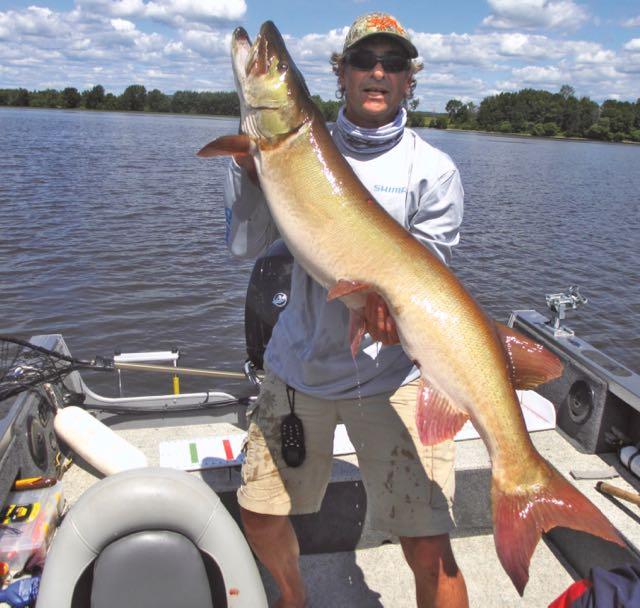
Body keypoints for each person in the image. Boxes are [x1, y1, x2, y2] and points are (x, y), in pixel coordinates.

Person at [223, 12, 468, 608]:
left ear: (411, 79)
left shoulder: (432, 171)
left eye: (393, 62)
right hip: (299, 367)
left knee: (431, 547)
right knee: (258, 515)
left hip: (393, 377)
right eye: (364, 60)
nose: (377, 72)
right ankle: (293, 596)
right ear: (340, 74)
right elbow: (243, 246)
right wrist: (246, 172)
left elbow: (424, 282)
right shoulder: (287, 146)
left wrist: (387, 310)